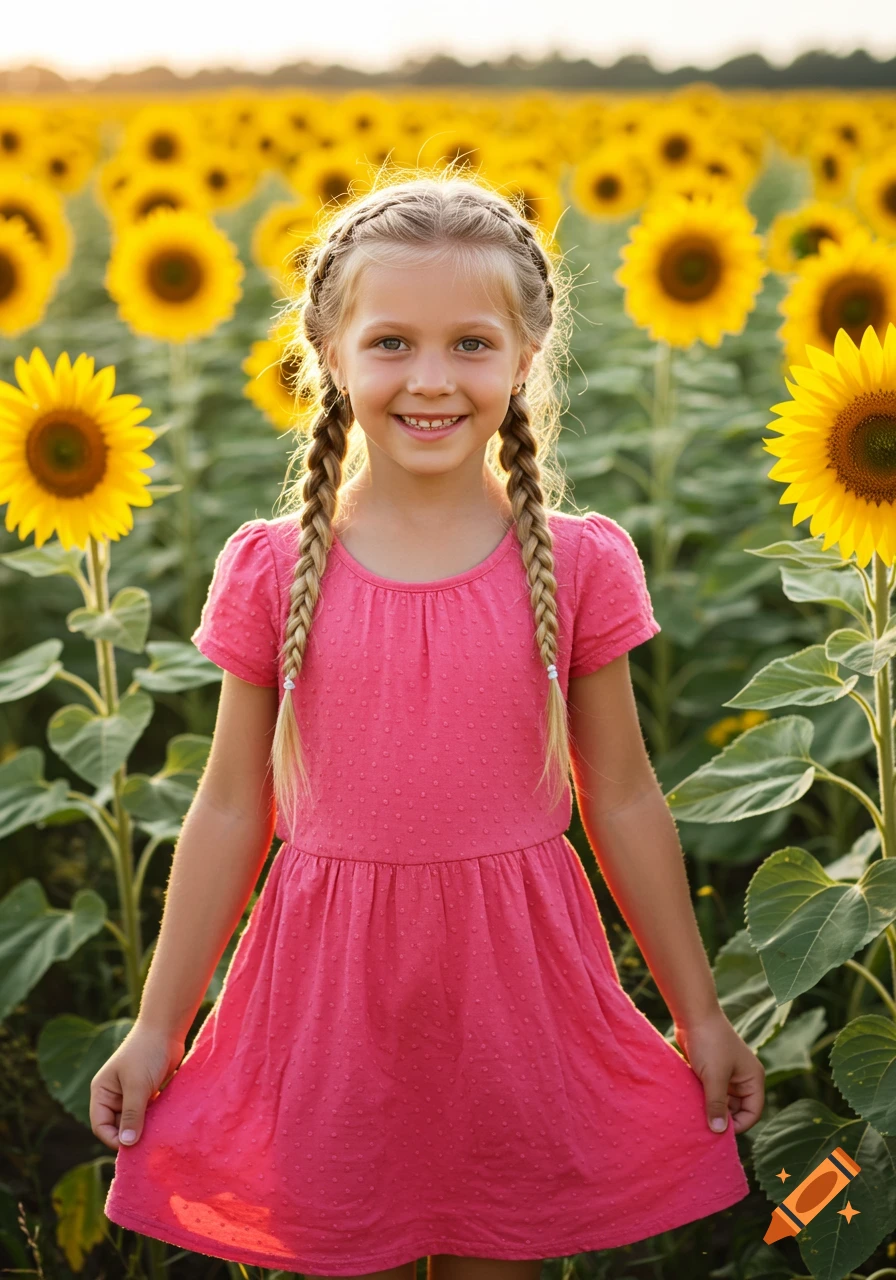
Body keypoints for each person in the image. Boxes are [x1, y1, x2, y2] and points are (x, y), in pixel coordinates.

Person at [92, 167, 764, 1280]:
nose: (431, 379)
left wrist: (697, 1014)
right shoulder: (271, 570)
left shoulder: (581, 561)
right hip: (327, 999)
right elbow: (227, 806)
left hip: (515, 998)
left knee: (499, 1252)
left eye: (469, 344)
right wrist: (160, 1026)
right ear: (329, 352)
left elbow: (626, 797)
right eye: (391, 342)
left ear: (524, 356)